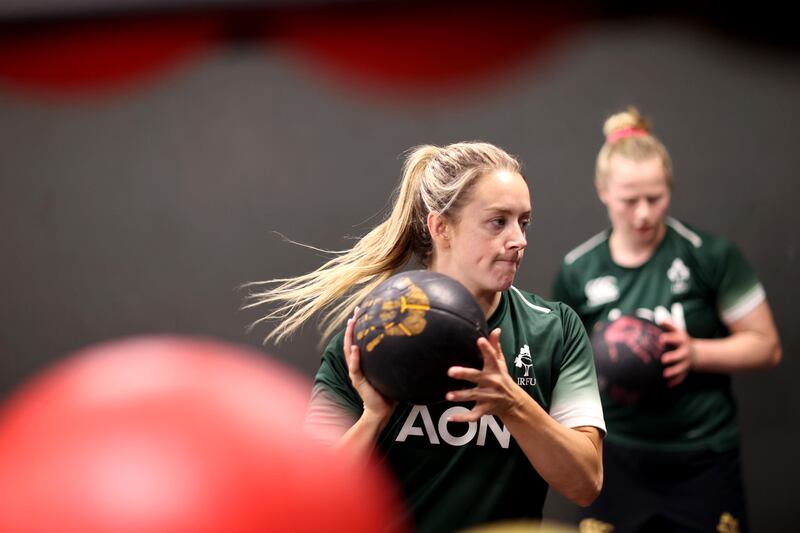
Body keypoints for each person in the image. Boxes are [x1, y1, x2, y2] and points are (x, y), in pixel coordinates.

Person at [246, 142, 606, 532]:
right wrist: (374, 416)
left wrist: (512, 404)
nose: (519, 240)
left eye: (524, 222)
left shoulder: (554, 329)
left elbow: (586, 484)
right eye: (498, 221)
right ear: (440, 228)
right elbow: (309, 500)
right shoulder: (371, 335)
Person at [552, 108, 782, 533]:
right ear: (602, 190)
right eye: (629, 200)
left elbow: (766, 345)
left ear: (669, 189)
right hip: (616, 457)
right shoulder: (578, 269)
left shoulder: (709, 256)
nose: (643, 214)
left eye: (655, 198)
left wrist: (695, 352)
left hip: (702, 457)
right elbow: (563, 366)